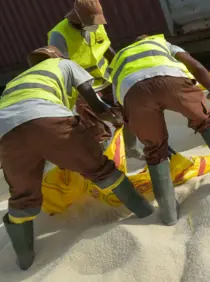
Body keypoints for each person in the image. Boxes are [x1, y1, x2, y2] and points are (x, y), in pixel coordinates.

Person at [0, 46, 153, 270]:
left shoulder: (16, 81)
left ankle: (24, 260)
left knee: (22, 196)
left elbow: (24, 126)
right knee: (101, 169)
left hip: (6, 133)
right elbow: (96, 105)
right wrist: (116, 118)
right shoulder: (66, 65)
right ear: (57, 56)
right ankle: (146, 213)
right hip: (48, 119)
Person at [109, 34, 210, 226]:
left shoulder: (119, 59)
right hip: (172, 81)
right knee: (206, 122)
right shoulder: (161, 43)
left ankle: (169, 214)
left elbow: (124, 111)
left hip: (133, 93)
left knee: (154, 149)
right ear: (147, 39)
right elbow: (197, 67)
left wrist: (131, 145)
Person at [48, 0, 140, 156]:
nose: (95, 25)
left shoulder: (97, 25)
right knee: (93, 125)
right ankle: (104, 158)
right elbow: (63, 68)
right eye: (91, 22)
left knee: (127, 113)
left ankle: (130, 148)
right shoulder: (59, 35)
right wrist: (94, 102)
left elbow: (106, 48)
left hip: (106, 79)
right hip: (81, 86)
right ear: (77, 16)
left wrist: (123, 69)